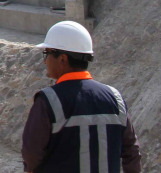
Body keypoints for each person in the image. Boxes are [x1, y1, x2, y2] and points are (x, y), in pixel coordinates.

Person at [22, 21, 140, 172]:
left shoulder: (49, 100)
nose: (45, 61)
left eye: (47, 54)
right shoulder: (115, 98)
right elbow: (132, 151)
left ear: (63, 59)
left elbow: (31, 155)